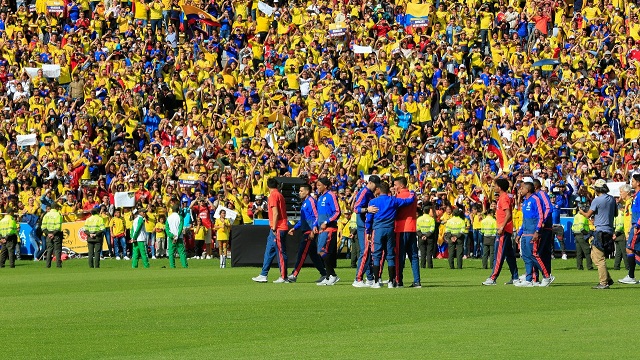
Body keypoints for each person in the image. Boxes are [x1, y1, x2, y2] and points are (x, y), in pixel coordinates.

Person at [365, 181, 415, 288]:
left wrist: (368, 231)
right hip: (390, 229)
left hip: (378, 229)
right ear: (388, 190)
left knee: (377, 255)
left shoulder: (373, 201)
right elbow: (409, 201)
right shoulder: (393, 200)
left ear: (379, 189)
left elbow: (369, 219)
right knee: (390, 255)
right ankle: (392, 282)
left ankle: (376, 281)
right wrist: (412, 192)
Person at [514, 181, 554, 287]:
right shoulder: (525, 201)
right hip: (525, 232)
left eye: (522, 188)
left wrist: (537, 231)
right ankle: (529, 279)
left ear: (527, 189)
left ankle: (547, 276)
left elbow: (540, 216)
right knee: (526, 256)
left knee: (534, 255)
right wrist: (519, 233)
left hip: (533, 232)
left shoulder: (536, 199)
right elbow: (524, 219)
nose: (520, 190)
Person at [579, 179, 616, 289]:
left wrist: (581, 211)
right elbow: (615, 213)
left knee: (599, 259)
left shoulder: (597, 200)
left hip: (600, 231)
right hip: (608, 230)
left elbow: (587, 215)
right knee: (595, 256)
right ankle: (607, 279)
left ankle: (604, 282)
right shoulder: (612, 199)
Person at [252, 178, 289, 283]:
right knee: (269, 250)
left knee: (280, 252)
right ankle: (263, 274)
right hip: (278, 227)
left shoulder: (273, 196)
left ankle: (283, 276)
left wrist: (274, 227)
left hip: (277, 227)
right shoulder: (279, 195)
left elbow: (276, 212)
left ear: (268, 186)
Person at [287, 183, 326, 283]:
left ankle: (294, 274)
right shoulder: (305, 202)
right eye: (299, 191)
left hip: (309, 231)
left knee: (302, 252)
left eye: (301, 191)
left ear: (307, 191)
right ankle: (324, 274)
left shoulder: (311, 201)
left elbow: (317, 216)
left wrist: (313, 229)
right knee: (313, 255)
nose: (299, 193)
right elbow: (303, 219)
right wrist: (295, 228)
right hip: (307, 229)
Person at [484, 178, 519, 286]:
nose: (493, 187)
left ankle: (493, 278)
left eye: (495, 185)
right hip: (505, 230)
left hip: (503, 231)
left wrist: (502, 227)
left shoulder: (504, 198)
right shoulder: (503, 198)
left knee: (498, 255)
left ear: (499, 187)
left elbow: (508, 214)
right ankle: (515, 277)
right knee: (509, 255)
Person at [352, 175, 379, 287]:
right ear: (371, 183)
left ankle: (369, 278)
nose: (377, 188)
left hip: (366, 225)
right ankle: (358, 279)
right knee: (365, 252)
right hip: (363, 226)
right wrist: (368, 209)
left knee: (367, 252)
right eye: (376, 186)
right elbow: (356, 208)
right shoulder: (364, 192)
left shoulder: (368, 193)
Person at [393, 177, 421, 288]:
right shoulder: (412, 195)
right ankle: (417, 281)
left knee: (400, 256)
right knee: (413, 256)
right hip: (412, 227)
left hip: (401, 228)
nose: (394, 187)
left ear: (400, 185)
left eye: (395, 185)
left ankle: (399, 280)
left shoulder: (398, 197)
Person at [313, 177, 341, 286]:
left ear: (325, 186)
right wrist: (315, 224)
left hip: (329, 228)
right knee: (321, 251)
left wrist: (327, 221)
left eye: (319, 185)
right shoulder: (320, 198)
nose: (317, 187)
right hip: (321, 229)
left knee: (323, 251)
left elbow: (337, 211)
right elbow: (318, 215)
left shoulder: (331, 196)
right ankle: (329, 275)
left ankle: (332, 275)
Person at [619, 175, 640, 284]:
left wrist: (637, 225)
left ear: (638, 182)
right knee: (635, 250)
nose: (631, 182)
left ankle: (631, 276)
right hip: (634, 226)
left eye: (633, 181)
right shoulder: (636, 196)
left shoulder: (639, 196)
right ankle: (631, 275)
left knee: (629, 248)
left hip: (637, 226)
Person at [614, 184, 632, 271]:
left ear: (627, 192)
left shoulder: (630, 202)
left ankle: (630, 272)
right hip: (626, 232)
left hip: (630, 231)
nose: (620, 194)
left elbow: (632, 217)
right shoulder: (626, 203)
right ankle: (630, 272)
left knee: (629, 251)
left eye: (621, 192)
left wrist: (629, 230)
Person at [166, 202, 189, 269]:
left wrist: (172, 236)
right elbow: (180, 228)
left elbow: (167, 229)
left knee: (171, 253)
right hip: (179, 237)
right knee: (181, 252)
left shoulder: (168, 218)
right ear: (178, 210)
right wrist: (176, 236)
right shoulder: (180, 217)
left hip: (171, 237)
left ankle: (172, 266)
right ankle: (184, 266)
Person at [572, 203, 593, 271]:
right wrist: (588, 233)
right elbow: (582, 228)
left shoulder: (576, 216)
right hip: (582, 235)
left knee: (579, 253)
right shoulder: (582, 217)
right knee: (587, 251)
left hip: (576, 235)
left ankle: (579, 267)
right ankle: (589, 267)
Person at [41, 204, 64, 268]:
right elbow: (58, 227)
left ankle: (48, 265)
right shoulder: (58, 215)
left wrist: (48, 233)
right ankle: (58, 265)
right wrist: (53, 234)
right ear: (56, 207)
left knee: (49, 250)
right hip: (56, 234)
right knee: (57, 250)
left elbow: (43, 227)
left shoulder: (46, 215)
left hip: (48, 234)